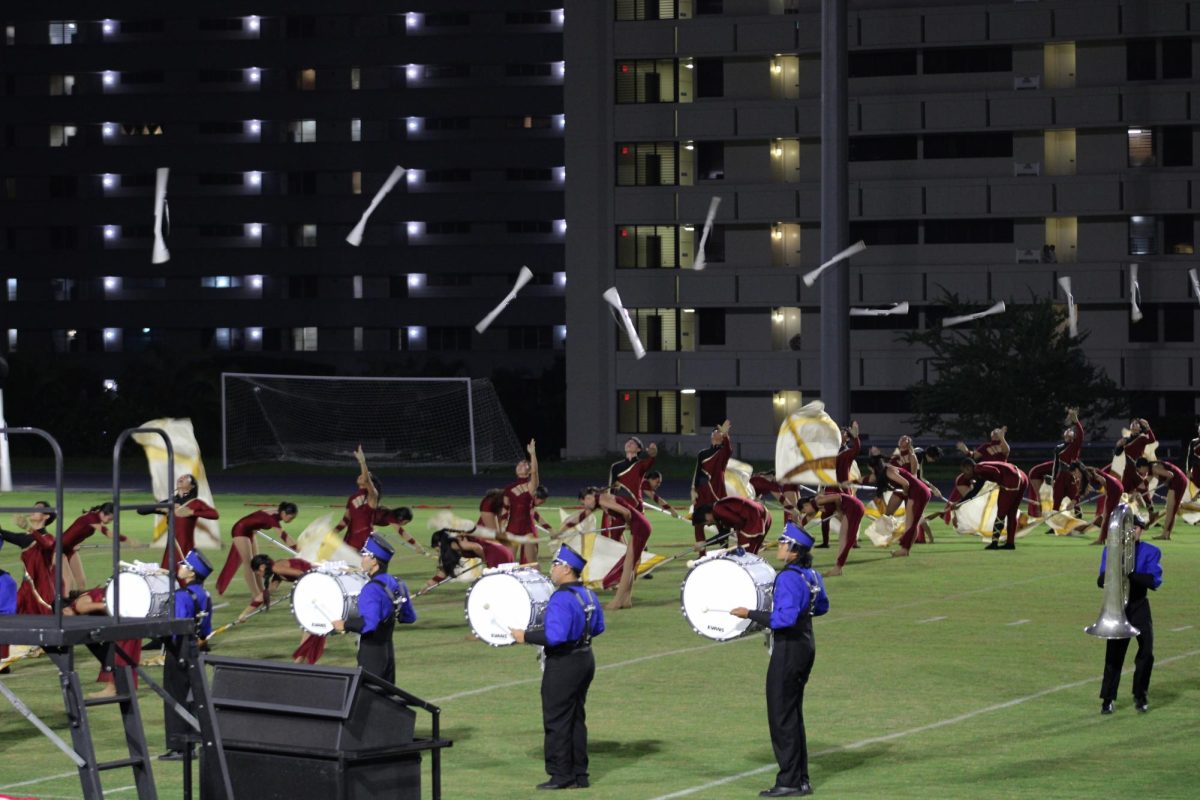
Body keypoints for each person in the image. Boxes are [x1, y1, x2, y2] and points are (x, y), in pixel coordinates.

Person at [731, 523, 829, 798]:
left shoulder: (788, 577)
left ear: (794, 550)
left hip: (788, 649)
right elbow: (822, 606)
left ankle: (789, 781)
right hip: (806, 644)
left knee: (781, 716)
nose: (780, 547)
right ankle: (801, 779)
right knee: (793, 714)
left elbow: (783, 619)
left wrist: (750, 613)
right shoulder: (811, 574)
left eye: (784, 543)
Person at [510, 544, 605, 791]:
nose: (551, 569)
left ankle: (561, 775)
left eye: (554, 565)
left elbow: (555, 636)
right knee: (576, 718)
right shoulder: (588, 594)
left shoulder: (561, 598)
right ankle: (579, 774)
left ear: (566, 569)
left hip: (564, 663)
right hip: (585, 659)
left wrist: (525, 636)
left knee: (557, 720)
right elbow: (598, 627)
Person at [332, 533, 416, 684]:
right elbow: (409, 617)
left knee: (366, 700)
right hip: (388, 653)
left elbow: (369, 624)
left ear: (374, 561)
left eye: (365, 555)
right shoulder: (397, 582)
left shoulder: (370, 589)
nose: (362, 558)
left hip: (372, 654)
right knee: (387, 700)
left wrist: (344, 624)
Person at [1097, 519, 1162, 714]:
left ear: (1141, 530)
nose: (1132, 531)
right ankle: (1107, 699)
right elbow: (1101, 581)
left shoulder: (1151, 551)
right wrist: (1114, 570)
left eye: (1135, 528)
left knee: (1146, 652)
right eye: (1128, 528)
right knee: (1114, 656)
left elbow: (1154, 581)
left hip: (1139, 604)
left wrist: (1129, 573)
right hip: (1118, 606)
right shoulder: (1111, 550)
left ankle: (1140, 695)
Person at [161, 550, 215, 761]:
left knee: (175, 696)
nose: (180, 567)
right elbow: (206, 629)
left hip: (179, 650)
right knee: (193, 696)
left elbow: (175, 628)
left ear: (191, 573)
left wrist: (168, 646)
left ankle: (179, 746)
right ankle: (194, 740)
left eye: (184, 565)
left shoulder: (181, 597)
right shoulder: (205, 594)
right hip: (196, 648)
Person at [63, 587, 142, 698]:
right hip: (127, 607)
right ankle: (121, 686)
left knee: (121, 649)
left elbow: (98, 606)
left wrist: (116, 607)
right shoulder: (83, 604)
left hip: (124, 608)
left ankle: (113, 688)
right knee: (121, 648)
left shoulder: (77, 604)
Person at [215, 502, 298, 598]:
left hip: (251, 531)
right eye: (291, 517)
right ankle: (255, 594)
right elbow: (283, 536)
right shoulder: (273, 518)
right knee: (249, 564)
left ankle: (262, 591)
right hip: (240, 529)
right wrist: (298, 549)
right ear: (283, 513)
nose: (291, 520)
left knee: (256, 563)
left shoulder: (278, 512)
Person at [141, 474, 219, 569]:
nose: (181, 478)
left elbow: (214, 514)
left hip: (186, 548)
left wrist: (192, 512)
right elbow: (141, 510)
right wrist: (160, 508)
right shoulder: (170, 503)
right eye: (180, 477)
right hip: (171, 549)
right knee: (166, 578)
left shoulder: (196, 503)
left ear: (192, 486)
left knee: (186, 578)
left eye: (186, 477)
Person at [950, 459, 1028, 550]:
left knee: (1001, 514)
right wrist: (960, 502)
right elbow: (975, 491)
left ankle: (994, 543)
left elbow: (995, 471)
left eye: (964, 471)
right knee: (1012, 513)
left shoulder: (978, 468)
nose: (965, 475)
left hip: (1011, 478)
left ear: (968, 467)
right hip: (1022, 476)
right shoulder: (980, 472)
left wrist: (1000, 482)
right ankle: (1010, 543)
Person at [867, 454, 931, 558]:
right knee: (911, 524)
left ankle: (904, 550)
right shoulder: (887, 471)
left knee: (912, 524)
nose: (872, 473)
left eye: (871, 470)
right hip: (918, 492)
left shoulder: (889, 470)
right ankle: (905, 550)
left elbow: (906, 484)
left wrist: (905, 493)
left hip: (918, 492)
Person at [1, 500, 58, 613]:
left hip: (42, 592)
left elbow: (46, 545)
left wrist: (29, 528)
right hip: (26, 589)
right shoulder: (25, 538)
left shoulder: (49, 538)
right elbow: (2, 533)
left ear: (46, 516)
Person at [1027, 408, 1084, 516]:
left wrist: (1076, 421)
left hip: (1071, 475)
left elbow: (1081, 434)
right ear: (1064, 435)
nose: (1068, 432)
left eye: (1071, 432)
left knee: (1075, 499)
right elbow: (1056, 464)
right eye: (1067, 432)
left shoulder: (1075, 446)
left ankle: (1079, 520)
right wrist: (1054, 478)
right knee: (1056, 500)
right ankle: (1054, 525)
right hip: (1061, 475)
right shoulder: (1059, 448)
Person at [798, 491, 864, 577]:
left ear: (806, 505)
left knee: (847, 540)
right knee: (843, 538)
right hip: (851, 507)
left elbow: (837, 497)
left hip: (854, 506)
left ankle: (838, 568)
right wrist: (797, 529)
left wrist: (839, 510)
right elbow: (806, 520)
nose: (805, 513)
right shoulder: (815, 506)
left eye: (804, 511)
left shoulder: (817, 501)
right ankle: (838, 568)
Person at [60, 503, 122, 592]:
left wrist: (74, 543)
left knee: (81, 582)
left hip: (69, 549)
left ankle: (77, 603)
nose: (109, 522)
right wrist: (128, 540)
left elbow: (78, 531)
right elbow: (107, 533)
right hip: (58, 549)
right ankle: (64, 604)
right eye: (110, 519)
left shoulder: (92, 516)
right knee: (69, 583)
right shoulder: (92, 518)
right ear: (103, 513)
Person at [691, 420, 733, 553]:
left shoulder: (723, 452)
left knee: (722, 525)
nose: (717, 432)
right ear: (711, 436)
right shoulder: (702, 454)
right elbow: (697, 472)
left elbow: (729, 449)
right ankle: (702, 555)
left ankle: (723, 552)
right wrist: (693, 490)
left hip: (717, 492)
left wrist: (726, 436)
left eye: (719, 431)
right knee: (698, 524)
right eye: (715, 431)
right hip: (702, 493)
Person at [334, 445, 381, 550]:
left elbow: (367, 480)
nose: (362, 475)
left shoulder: (372, 496)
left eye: (367, 475)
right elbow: (345, 520)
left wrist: (362, 462)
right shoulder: (352, 498)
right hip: (349, 540)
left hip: (364, 540)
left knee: (356, 566)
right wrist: (332, 533)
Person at [502, 440, 541, 564]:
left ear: (528, 471)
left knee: (532, 564)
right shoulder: (508, 488)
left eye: (524, 464)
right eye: (518, 464)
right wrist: (501, 528)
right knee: (509, 564)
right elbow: (505, 510)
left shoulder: (531, 486)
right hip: (511, 529)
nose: (520, 465)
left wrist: (533, 454)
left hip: (527, 529)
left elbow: (535, 472)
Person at [694, 496, 772, 555]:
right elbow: (724, 534)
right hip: (764, 515)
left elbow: (739, 523)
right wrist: (705, 543)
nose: (708, 525)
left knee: (744, 556)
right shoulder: (719, 509)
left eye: (705, 522)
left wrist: (705, 543)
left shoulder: (717, 510)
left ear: (706, 514)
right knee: (751, 555)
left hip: (754, 519)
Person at [1135, 459, 1188, 540]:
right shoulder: (1150, 470)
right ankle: (1166, 534)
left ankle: (1165, 535)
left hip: (1178, 481)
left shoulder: (1155, 468)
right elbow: (1144, 485)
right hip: (1175, 482)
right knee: (1171, 509)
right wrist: (1136, 493)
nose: (1139, 472)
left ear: (1142, 467)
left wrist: (1166, 481)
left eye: (1139, 470)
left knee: (1171, 509)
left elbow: (1170, 475)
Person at [609, 437, 657, 509]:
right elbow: (612, 489)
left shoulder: (641, 464)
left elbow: (650, 461)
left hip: (636, 504)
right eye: (628, 442)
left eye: (633, 442)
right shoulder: (615, 466)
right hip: (621, 505)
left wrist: (652, 454)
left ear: (638, 449)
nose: (629, 443)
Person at [1114, 418, 1155, 502]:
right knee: (1126, 491)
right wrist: (1118, 446)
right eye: (1132, 424)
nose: (1134, 424)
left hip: (1137, 468)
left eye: (1136, 424)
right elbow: (1117, 454)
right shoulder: (1126, 440)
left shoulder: (1142, 438)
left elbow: (1152, 440)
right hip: (1128, 469)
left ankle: (1150, 509)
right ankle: (1148, 509)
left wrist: (1148, 428)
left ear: (1140, 428)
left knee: (1140, 488)